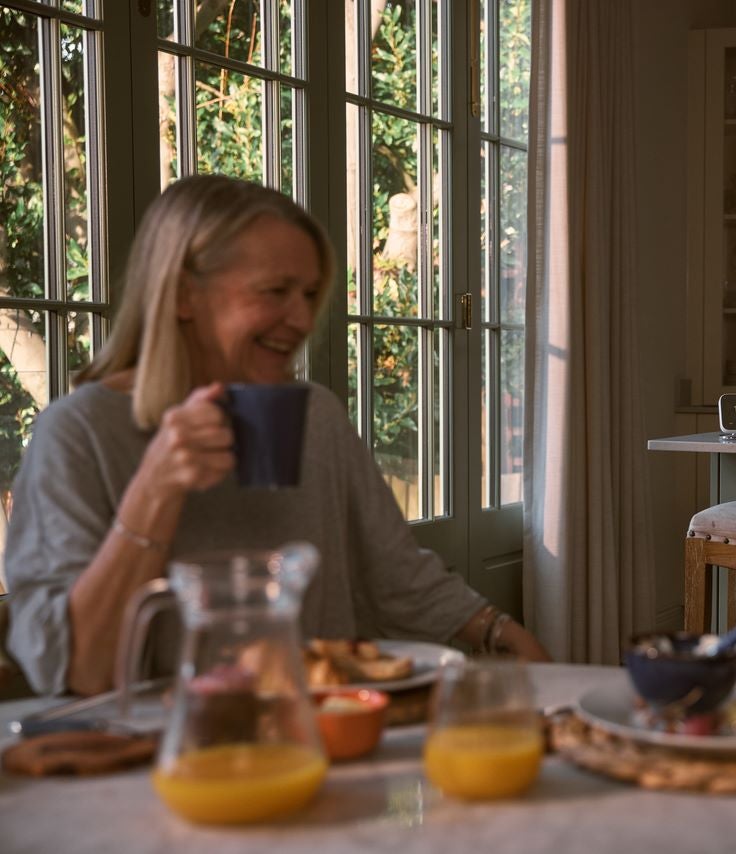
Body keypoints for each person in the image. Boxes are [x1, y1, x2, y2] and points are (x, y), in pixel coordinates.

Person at [6, 175, 550, 697]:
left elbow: (397, 573)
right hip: (159, 762)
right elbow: (79, 672)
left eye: (310, 294)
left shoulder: (316, 415)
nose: (301, 318)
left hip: (318, 745)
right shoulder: (78, 434)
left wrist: (502, 632)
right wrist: (155, 488)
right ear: (181, 295)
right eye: (275, 291)